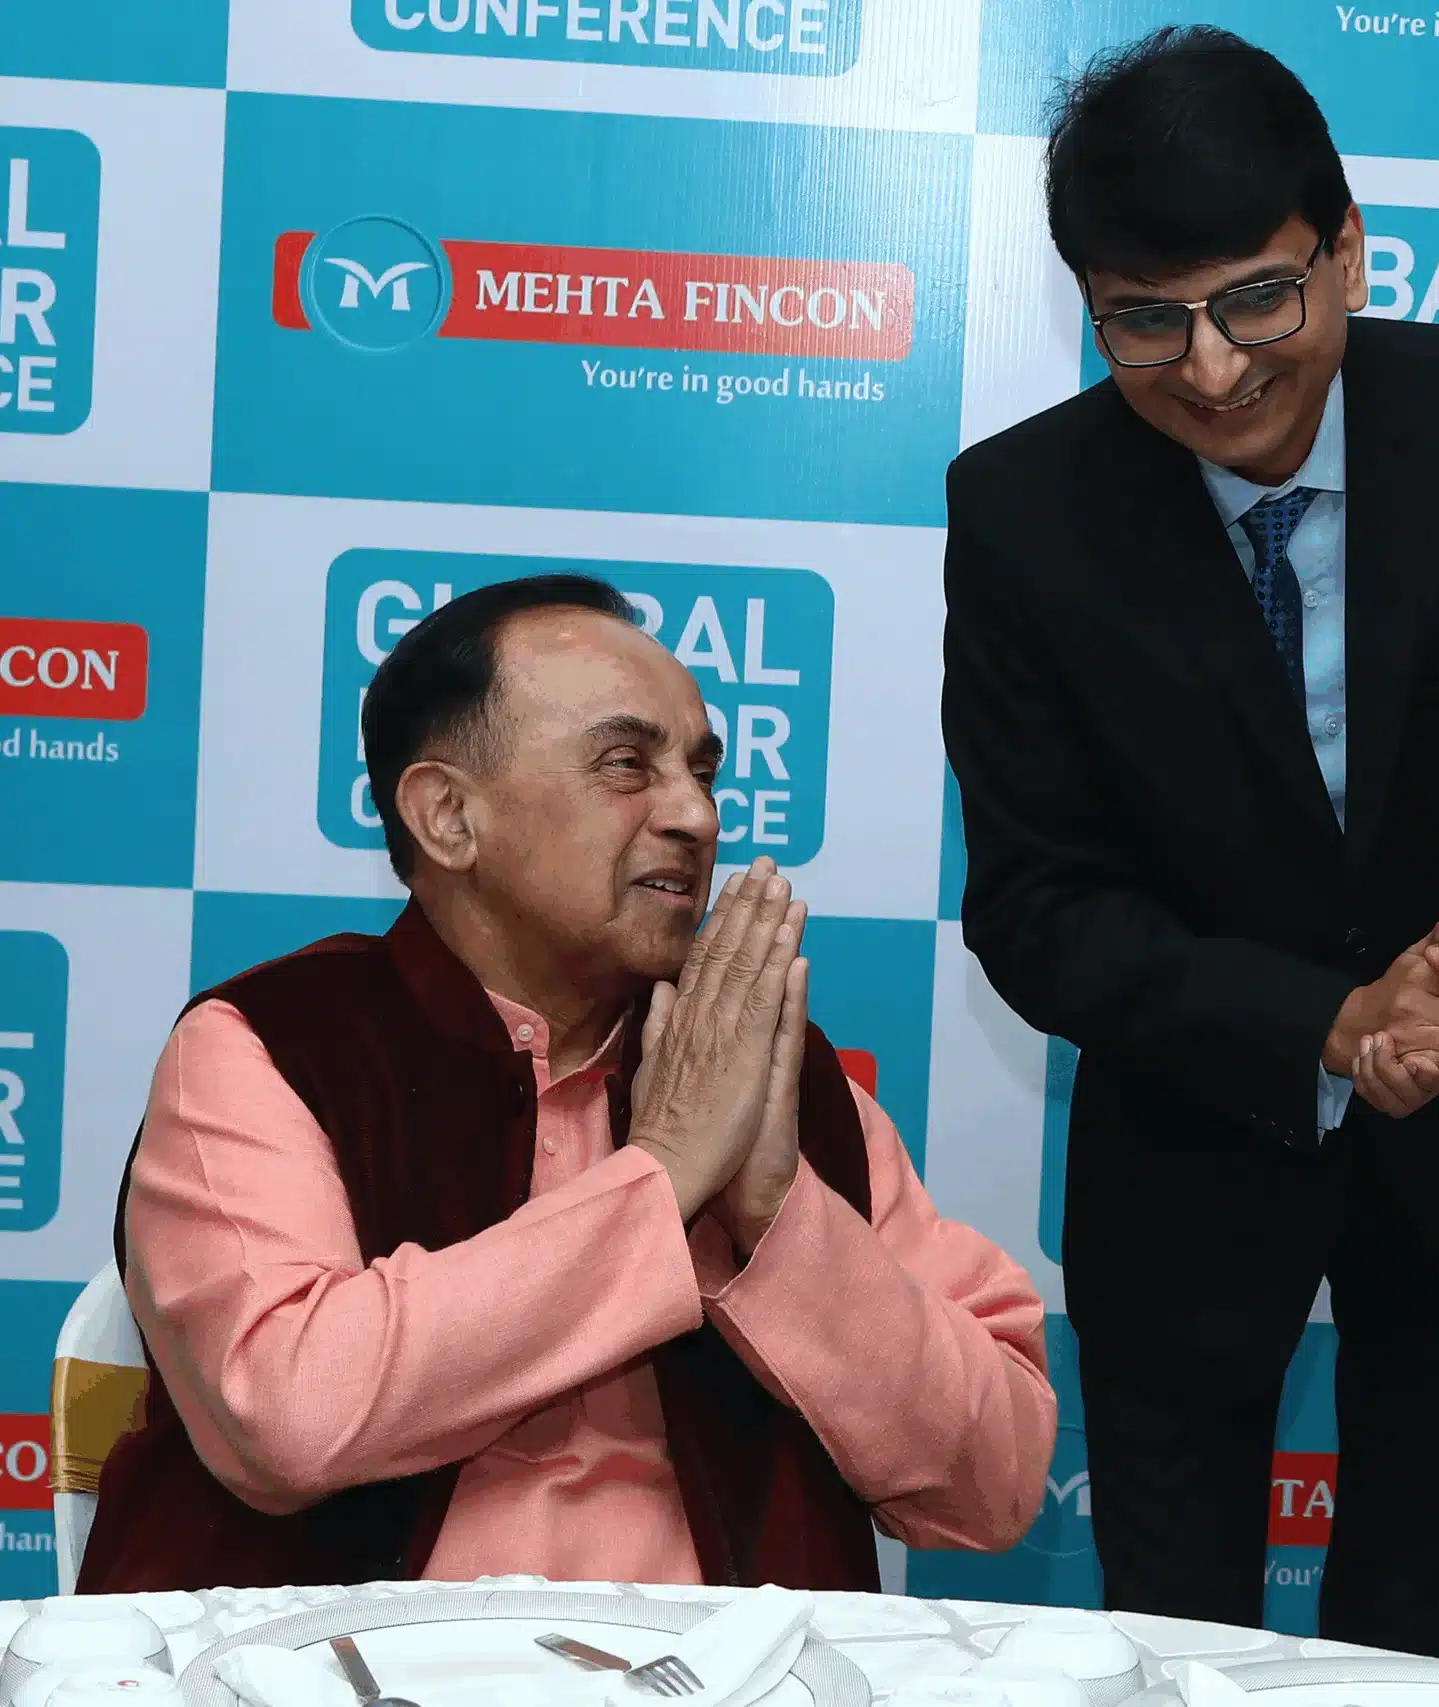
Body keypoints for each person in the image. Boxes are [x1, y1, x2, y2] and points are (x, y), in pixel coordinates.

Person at [941, 26, 1439, 1658]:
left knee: (1435, 1622)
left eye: (1257, 300)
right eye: (1146, 320)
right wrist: (1331, 1024)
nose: (1213, 368)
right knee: (1173, 1638)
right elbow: (1036, 902)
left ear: (1347, 249)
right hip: (1189, 1143)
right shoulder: (1024, 514)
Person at [83, 573, 1056, 1591]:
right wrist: (665, 1177)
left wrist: (777, 1214)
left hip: (730, 1665)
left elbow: (994, 1486)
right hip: (344, 1660)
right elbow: (285, 1414)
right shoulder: (271, 1046)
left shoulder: (762, 1069)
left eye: (703, 772)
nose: (695, 814)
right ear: (448, 816)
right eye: (627, 764)